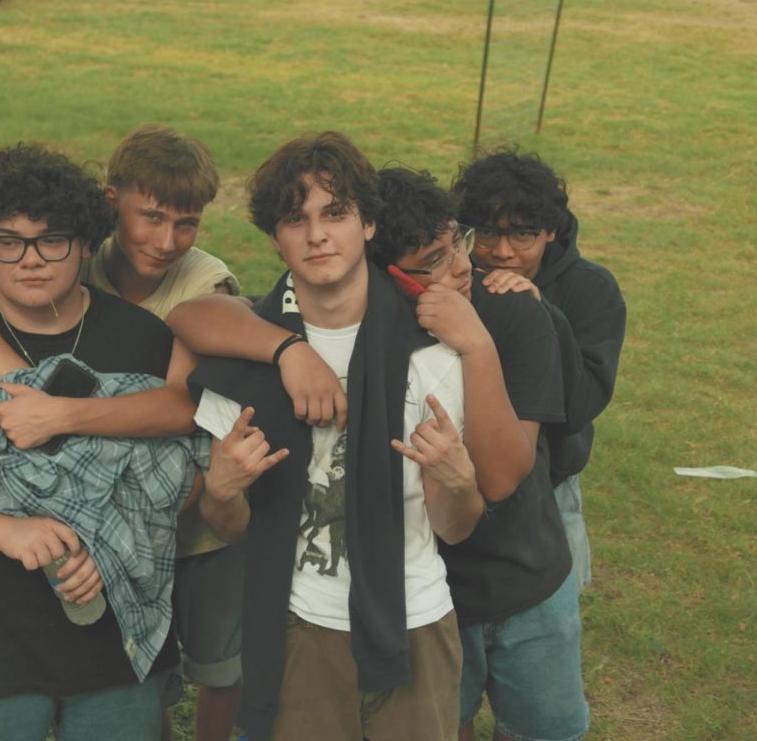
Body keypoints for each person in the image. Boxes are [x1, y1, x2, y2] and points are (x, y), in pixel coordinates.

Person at [0, 124, 246, 741]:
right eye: (152, 218)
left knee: (213, 664)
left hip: (193, 507)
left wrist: (60, 412)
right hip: (98, 516)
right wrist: (23, 380)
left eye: (186, 224)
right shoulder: (62, 251)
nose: (167, 241)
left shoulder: (201, 284)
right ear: (109, 208)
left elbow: (183, 406)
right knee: (143, 671)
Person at [183, 132, 484, 741]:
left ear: (369, 224)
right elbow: (231, 523)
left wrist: (460, 482)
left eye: (336, 213)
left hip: (416, 619)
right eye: (296, 219)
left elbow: (456, 526)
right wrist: (222, 490)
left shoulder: (433, 352)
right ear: (275, 237)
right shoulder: (245, 354)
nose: (317, 235)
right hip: (297, 626)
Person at [373, 167, 587, 741]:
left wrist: (473, 341)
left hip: (527, 579)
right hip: (430, 596)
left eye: (459, 243)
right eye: (438, 259)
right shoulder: (364, 331)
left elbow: (501, 476)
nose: (466, 266)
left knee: (547, 731)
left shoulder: (511, 309)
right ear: (387, 274)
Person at [453, 148, 626, 594]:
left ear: (550, 231)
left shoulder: (590, 289)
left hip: (550, 489)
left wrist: (540, 312)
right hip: (461, 476)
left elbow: (581, 405)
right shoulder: (454, 275)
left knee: (551, 611)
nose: (502, 252)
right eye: (487, 233)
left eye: (523, 235)